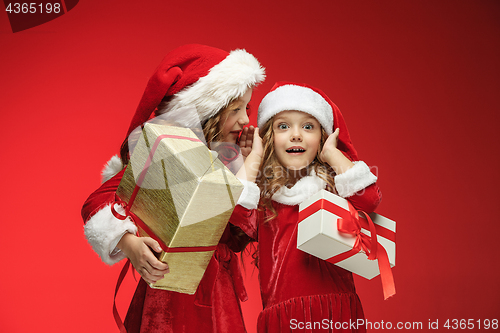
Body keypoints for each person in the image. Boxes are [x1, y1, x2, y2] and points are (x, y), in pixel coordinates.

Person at [81, 44, 265, 333]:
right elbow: (97, 202)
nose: (245, 119)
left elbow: (238, 233)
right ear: (208, 109)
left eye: (248, 108)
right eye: (235, 109)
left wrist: (246, 164)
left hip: (218, 292)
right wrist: (129, 244)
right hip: (168, 294)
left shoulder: (228, 158)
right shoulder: (166, 155)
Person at [230, 82, 383, 332]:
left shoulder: (333, 187)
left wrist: (333, 155)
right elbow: (235, 221)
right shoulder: (264, 197)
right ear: (268, 138)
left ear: (322, 136)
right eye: (283, 126)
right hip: (283, 320)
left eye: (308, 126)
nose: (296, 134)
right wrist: (254, 160)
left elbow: (369, 199)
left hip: (335, 316)